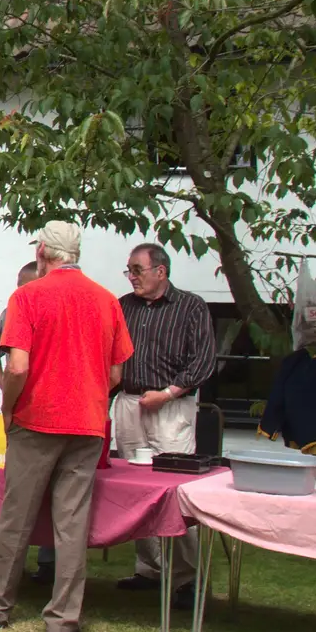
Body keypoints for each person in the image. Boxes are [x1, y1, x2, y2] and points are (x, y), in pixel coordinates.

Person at [0, 221, 133, 632]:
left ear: (42, 250)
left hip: (38, 420)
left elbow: (18, 366)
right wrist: (89, 395)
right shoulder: (107, 301)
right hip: (87, 424)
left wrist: (9, 409)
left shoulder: (27, 297)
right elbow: (117, 371)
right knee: (72, 524)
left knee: (16, 516)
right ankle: (63, 619)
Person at [114, 242, 217, 611]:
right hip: (128, 402)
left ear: (161, 271)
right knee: (134, 489)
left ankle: (188, 579)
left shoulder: (191, 307)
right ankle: (150, 569)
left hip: (171, 406)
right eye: (128, 270)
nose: (131, 277)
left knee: (174, 491)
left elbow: (204, 361)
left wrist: (168, 393)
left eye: (137, 270)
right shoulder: (124, 306)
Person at [0, 261, 55, 585]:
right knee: (23, 495)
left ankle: (45, 562)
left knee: (49, 496)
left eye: (23, 284)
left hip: (51, 416)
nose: (19, 292)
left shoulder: (50, 307)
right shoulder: (15, 310)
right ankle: (17, 571)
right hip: (33, 415)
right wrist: (9, 394)